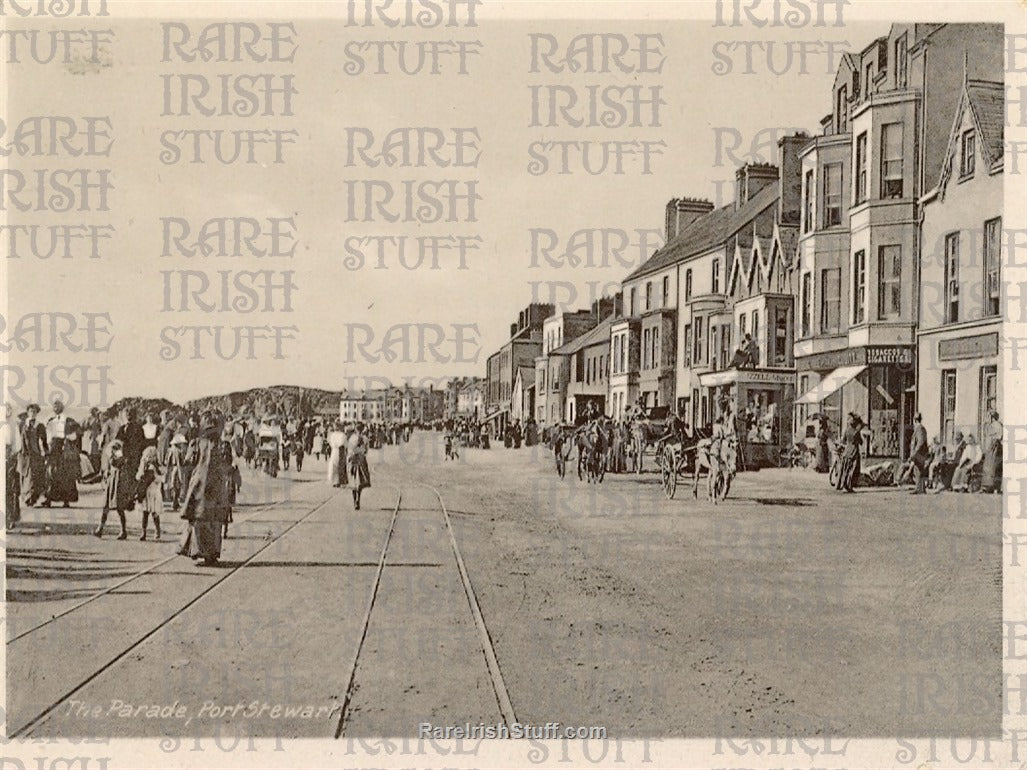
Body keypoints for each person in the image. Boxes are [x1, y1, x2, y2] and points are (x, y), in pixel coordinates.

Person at [178, 415, 231, 566]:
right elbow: (228, 464)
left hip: (199, 485)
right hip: (216, 486)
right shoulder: (223, 445)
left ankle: (196, 550)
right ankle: (211, 554)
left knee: (198, 518)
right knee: (214, 520)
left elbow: (188, 462)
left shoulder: (196, 443)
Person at [42, 399, 80, 508]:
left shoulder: (68, 420)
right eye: (54, 407)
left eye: (58, 406)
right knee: (51, 473)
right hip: (53, 448)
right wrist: (47, 448)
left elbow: (76, 434)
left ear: (62, 408)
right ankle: (49, 499)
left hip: (64, 448)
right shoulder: (50, 420)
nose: (56, 408)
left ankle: (66, 500)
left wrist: (68, 438)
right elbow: (48, 435)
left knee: (66, 474)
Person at [95, 438, 129, 539]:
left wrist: (111, 456)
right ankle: (100, 528)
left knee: (119, 507)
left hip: (117, 481)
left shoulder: (119, 455)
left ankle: (123, 530)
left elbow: (116, 463)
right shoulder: (114, 454)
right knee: (106, 506)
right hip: (112, 481)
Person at [136, 445, 163, 540]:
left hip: (152, 491)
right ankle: (144, 531)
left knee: (153, 512)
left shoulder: (153, 468)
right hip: (147, 492)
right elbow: (139, 476)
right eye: (147, 456)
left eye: (150, 456)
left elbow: (151, 478)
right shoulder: (144, 467)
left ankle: (156, 530)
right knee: (146, 513)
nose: (148, 458)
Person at [4, 403, 23, 529]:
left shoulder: (12, 424)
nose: (6, 412)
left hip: (9, 459)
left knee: (9, 489)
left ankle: (9, 518)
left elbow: (17, 445)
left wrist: (11, 455)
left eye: (9, 409)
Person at [835, 413, 863, 493]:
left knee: (845, 468)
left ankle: (841, 484)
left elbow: (843, 441)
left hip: (847, 450)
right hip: (854, 451)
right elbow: (861, 442)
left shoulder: (846, 430)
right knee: (853, 469)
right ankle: (849, 485)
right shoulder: (856, 432)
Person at [347, 423, 371, 510]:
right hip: (361, 460)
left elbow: (350, 450)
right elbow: (365, 451)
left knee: (353, 481)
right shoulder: (365, 438)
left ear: (355, 429)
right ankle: (358, 499)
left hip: (353, 460)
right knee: (360, 481)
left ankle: (355, 501)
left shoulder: (352, 438)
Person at [164, 432, 187, 511]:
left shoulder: (170, 450)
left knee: (173, 484)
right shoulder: (179, 451)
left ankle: (174, 501)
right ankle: (175, 501)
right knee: (177, 485)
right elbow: (182, 462)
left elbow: (166, 461)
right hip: (177, 468)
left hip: (172, 469)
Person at [981, 411, 1002, 493]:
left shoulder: (997, 425)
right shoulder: (990, 425)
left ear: (992, 417)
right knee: (987, 466)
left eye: (989, 416)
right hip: (989, 448)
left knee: (992, 466)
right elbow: (987, 434)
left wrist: (993, 442)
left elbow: (999, 436)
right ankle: (986, 485)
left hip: (993, 448)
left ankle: (991, 486)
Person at [908, 413, 929, 494]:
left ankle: (920, 488)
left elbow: (920, 442)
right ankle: (920, 488)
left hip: (920, 453)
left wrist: (915, 453)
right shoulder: (919, 428)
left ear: (915, 420)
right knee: (917, 470)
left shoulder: (920, 428)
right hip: (919, 453)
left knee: (919, 470)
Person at [327, 421, 348, 487]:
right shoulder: (343, 435)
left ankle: (335, 481)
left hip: (334, 450)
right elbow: (345, 444)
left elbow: (331, 443)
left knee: (334, 465)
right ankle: (340, 481)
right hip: (340, 450)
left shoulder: (332, 435)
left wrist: (334, 446)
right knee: (341, 465)